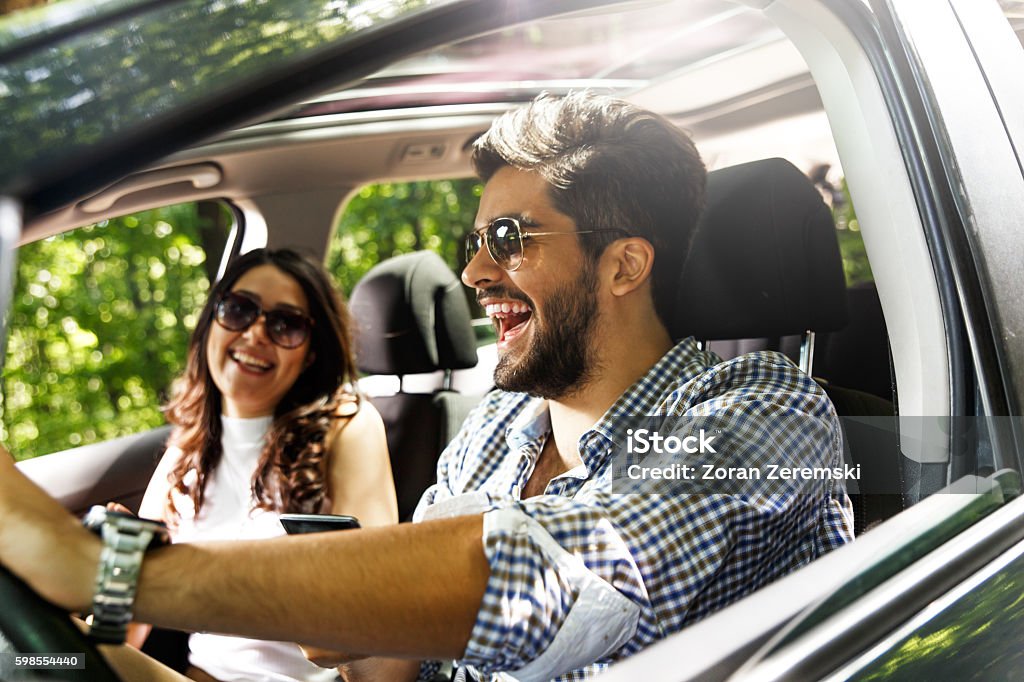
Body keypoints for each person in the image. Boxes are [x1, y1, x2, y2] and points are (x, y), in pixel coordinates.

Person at [0, 93, 853, 682]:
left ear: (625, 262)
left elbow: (564, 576)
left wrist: (104, 570)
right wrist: (357, 627)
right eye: (475, 239)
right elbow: (398, 668)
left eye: (510, 238)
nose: (474, 270)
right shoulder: (497, 428)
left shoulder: (762, 413)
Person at [131, 247, 399, 681]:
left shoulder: (345, 426)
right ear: (211, 323)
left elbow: (379, 628)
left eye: (286, 324)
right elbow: (130, 607)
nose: (256, 333)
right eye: (239, 310)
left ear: (310, 353)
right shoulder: (189, 444)